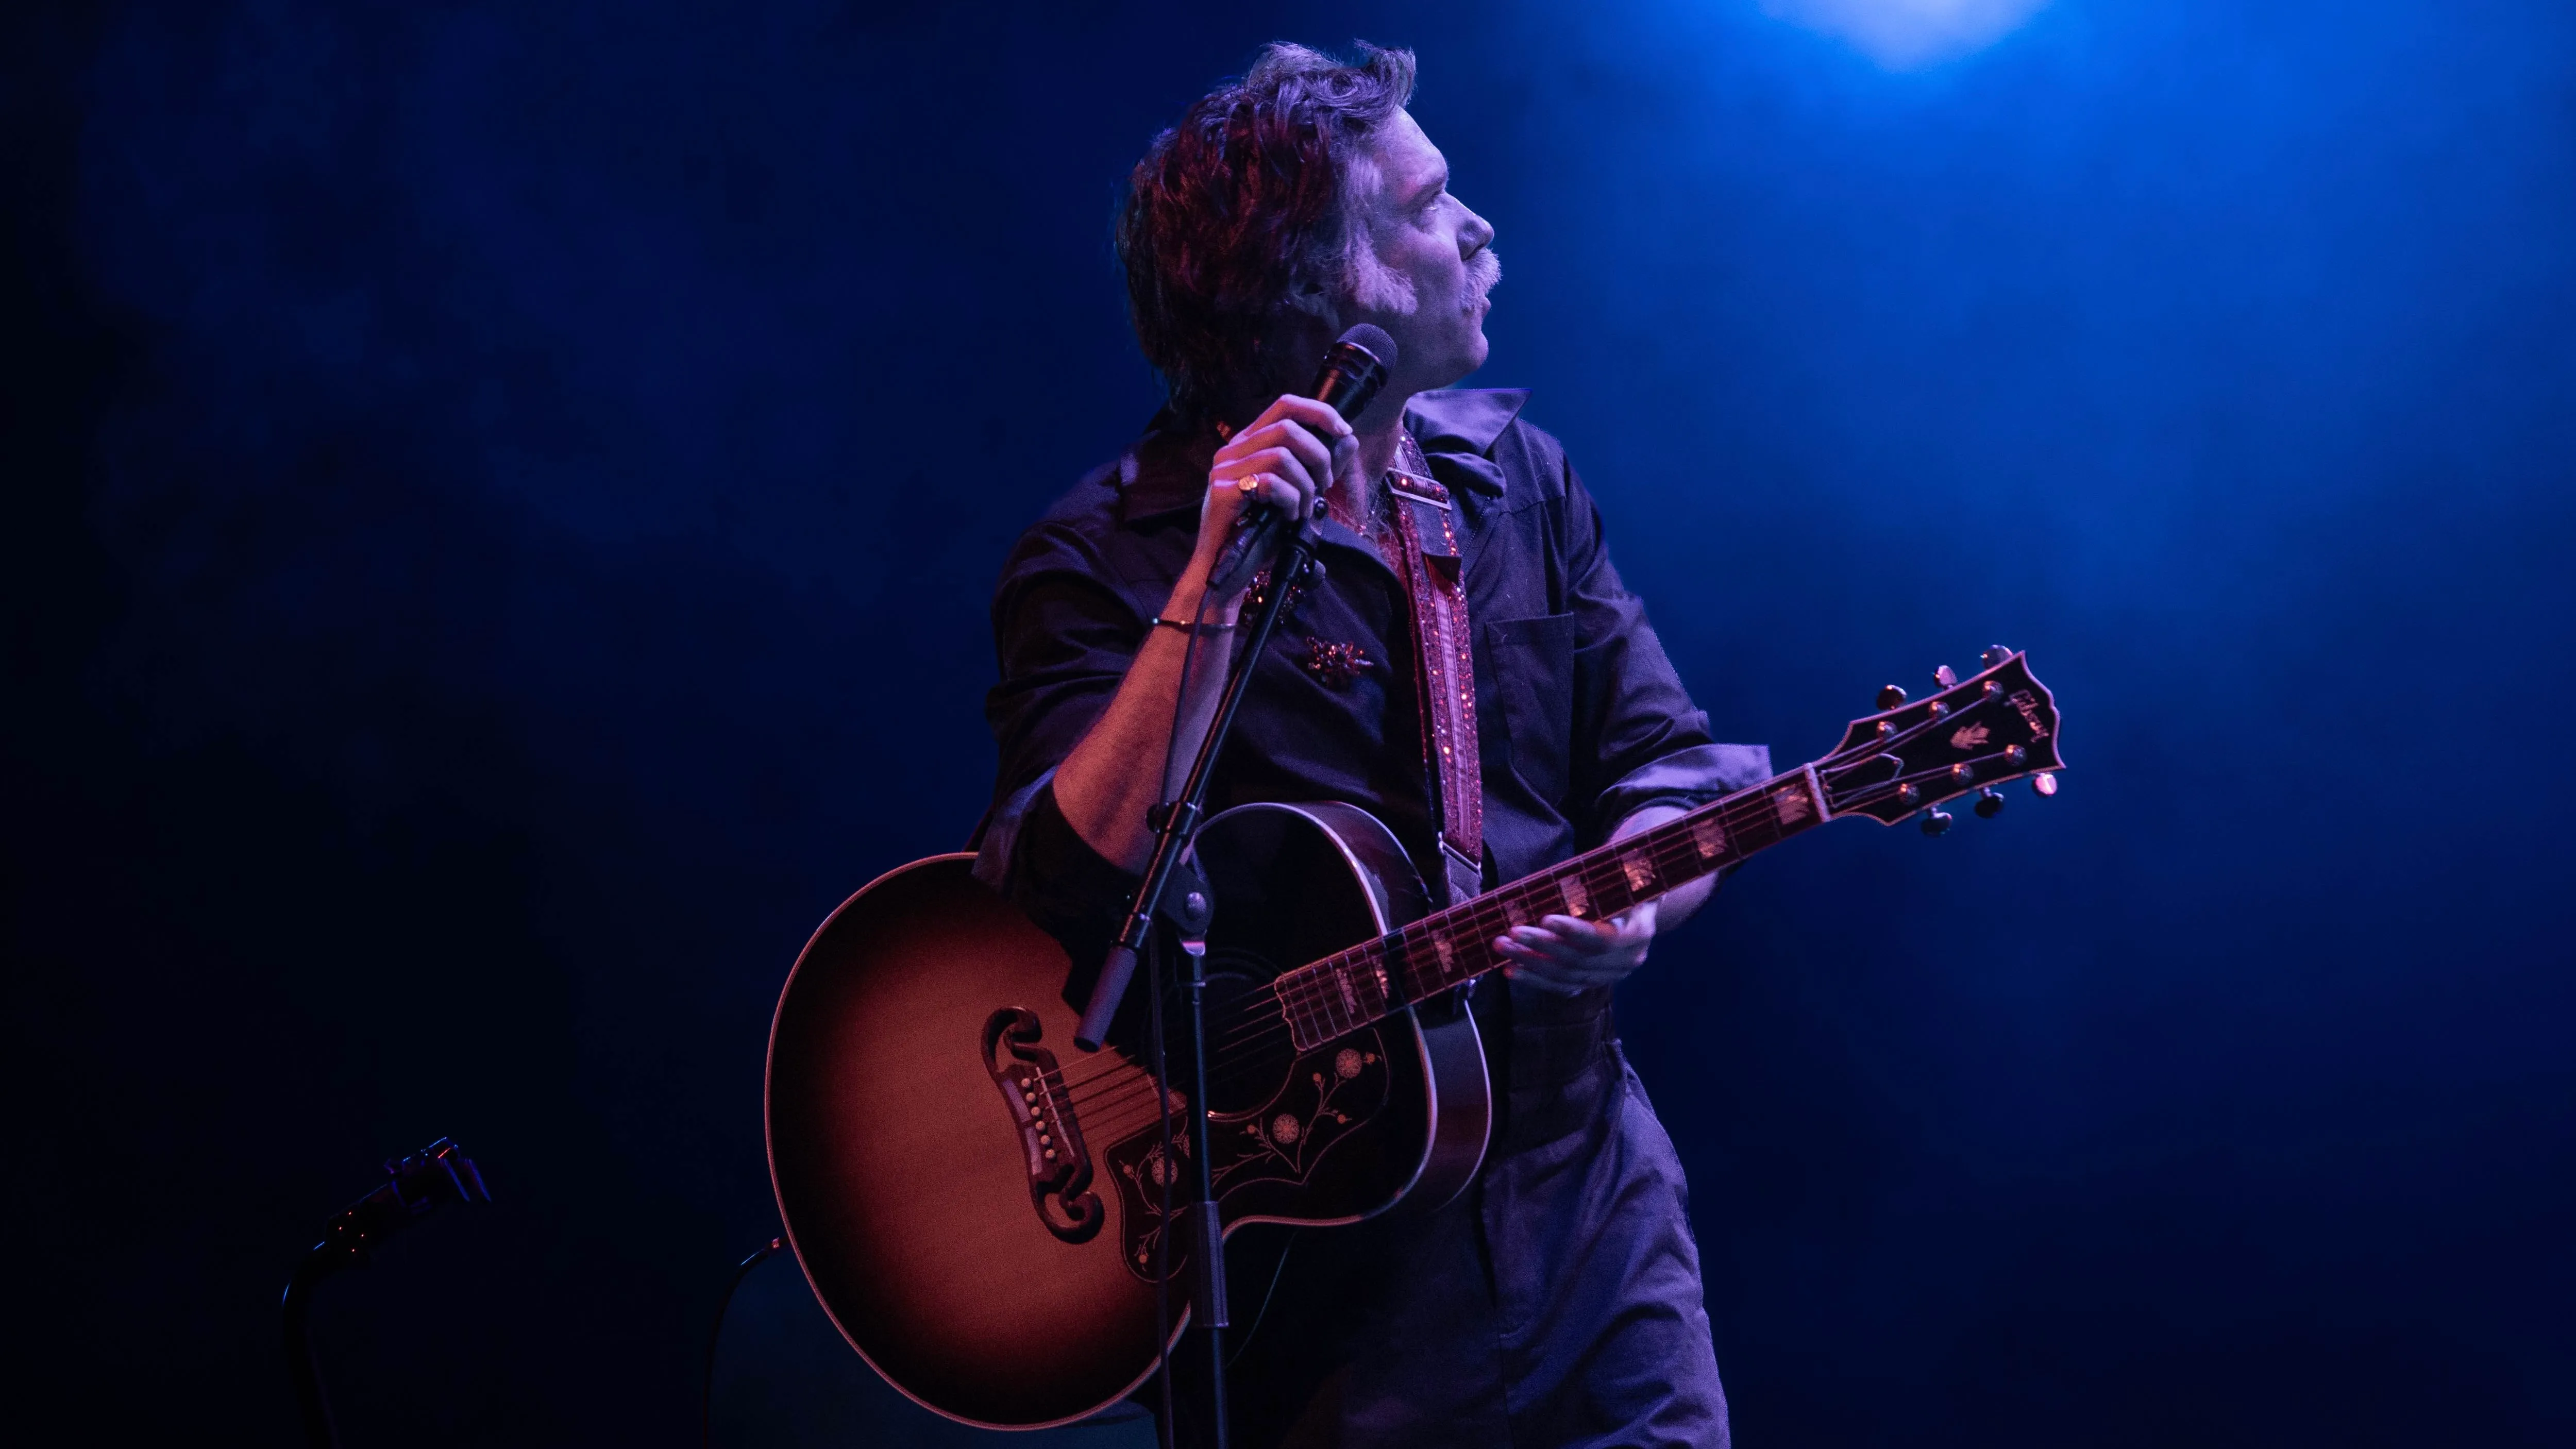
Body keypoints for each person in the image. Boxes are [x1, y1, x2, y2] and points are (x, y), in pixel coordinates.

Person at [972, 41, 1769, 1449]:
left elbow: (1668, 760)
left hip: (1582, 1188)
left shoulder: (1517, 480)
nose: (1478, 228)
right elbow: (1056, 875)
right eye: (1427, 203)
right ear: (1318, 281)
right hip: (1319, 1269)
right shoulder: (1100, 554)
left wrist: (1635, 897)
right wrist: (1210, 583)